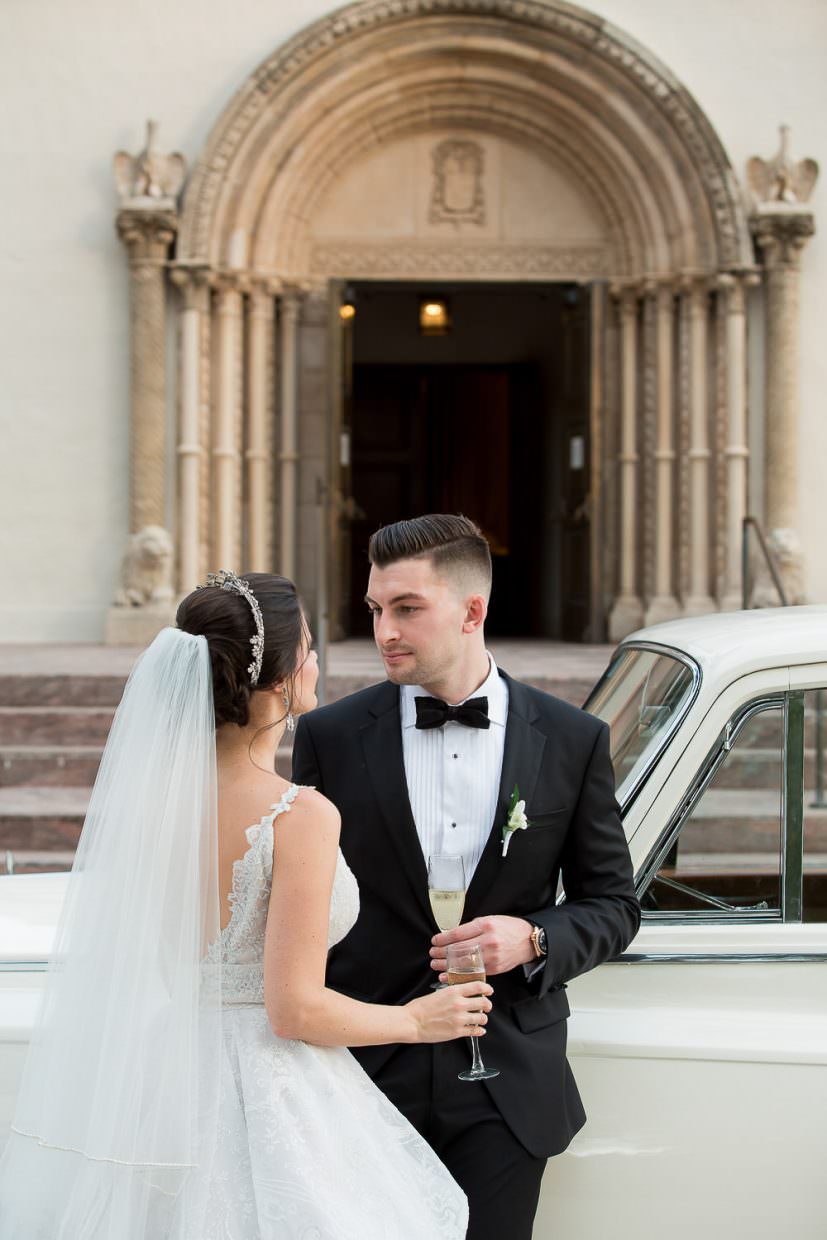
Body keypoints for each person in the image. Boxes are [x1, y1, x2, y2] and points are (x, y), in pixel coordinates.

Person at [0, 569, 491, 1239]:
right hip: (265, 1097)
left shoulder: (147, 806)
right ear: (283, 678)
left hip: (164, 1083)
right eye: (310, 648)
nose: (318, 661)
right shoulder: (299, 814)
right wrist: (418, 1021)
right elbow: (293, 1009)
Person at [292, 514, 641, 1240]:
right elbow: (307, 905)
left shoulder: (572, 740)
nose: (384, 629)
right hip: (364, 1071)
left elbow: (612, 904)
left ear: (471, 610)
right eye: (375, 610)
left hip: (507, 1081)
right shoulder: (329, 736)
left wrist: (533, 937)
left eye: (407, 609)